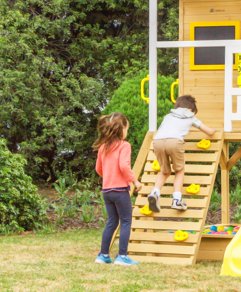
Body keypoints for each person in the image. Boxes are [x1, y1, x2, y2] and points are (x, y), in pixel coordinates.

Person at [147, 95, 216, 213]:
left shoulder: (167, 116)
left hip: (157, 141)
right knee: (179, 170)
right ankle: (177, 200)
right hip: (174, 142)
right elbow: (209, 132)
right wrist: (214, 130)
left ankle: (155, 192)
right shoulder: (190, 116)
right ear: (190, 110)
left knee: (164, 171)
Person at [93, 113, 142, 266]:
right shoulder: (124, 145)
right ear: (121, 129)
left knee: (112, 221)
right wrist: (135, 181)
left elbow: (98, 169)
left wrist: (109, 177)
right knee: (126, 221)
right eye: (127, 128)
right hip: (120, 190)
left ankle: (103, 255)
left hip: (107, 191)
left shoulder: (103, 147)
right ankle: (122, 256)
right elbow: (124, 166)